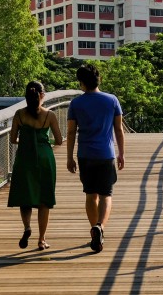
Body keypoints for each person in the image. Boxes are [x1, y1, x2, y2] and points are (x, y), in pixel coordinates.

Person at [66, 65, 124, 253]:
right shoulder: (112, 100)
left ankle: (94, 229)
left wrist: (69, 157)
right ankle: (100, 227)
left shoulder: (76, 104)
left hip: (85, 154)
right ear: (99, 80)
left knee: (91, 195)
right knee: (106, 194)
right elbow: (119, 129)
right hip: (106, 154)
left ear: (82, 83)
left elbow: (71, 131)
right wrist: (121, 153)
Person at [7, 80, 63, 250]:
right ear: (42, 96)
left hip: (25, 158)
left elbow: (12, 139)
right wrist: (45, 141)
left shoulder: (19, 115)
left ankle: (27, 227)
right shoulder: (50, 115)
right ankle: (41, 240)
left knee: (26, 197)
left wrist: (26, 140)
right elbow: (59, 140)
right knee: (44, 200)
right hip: (45, 158)